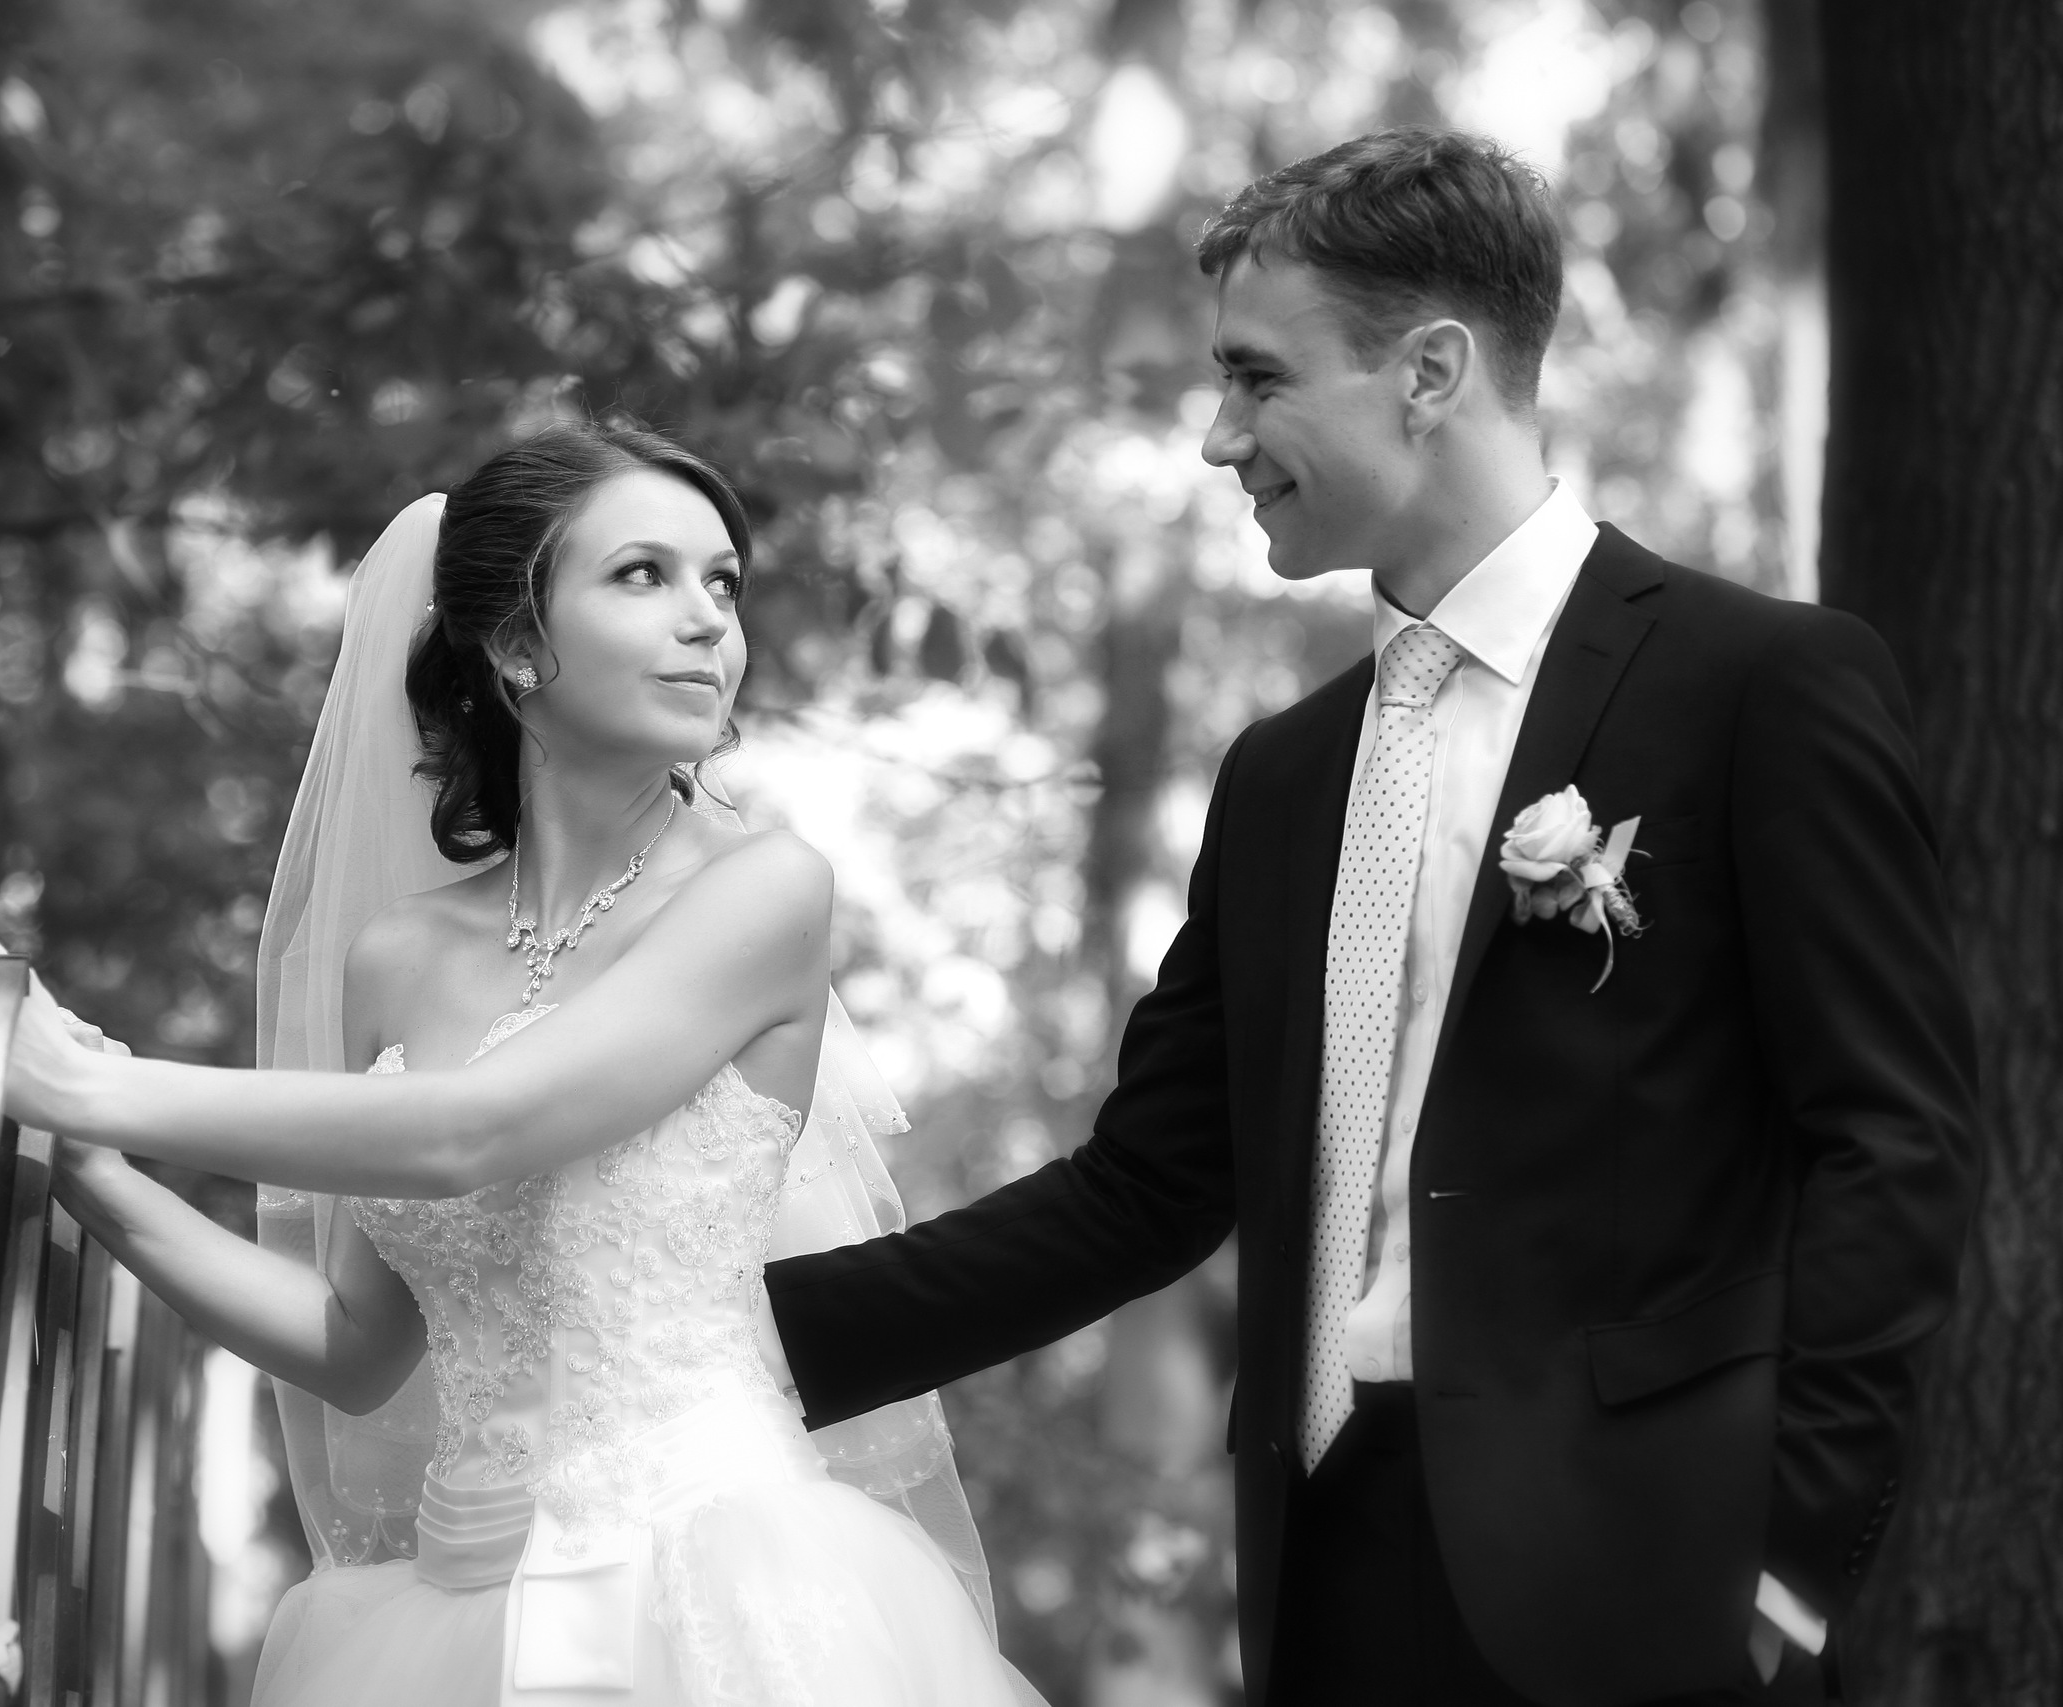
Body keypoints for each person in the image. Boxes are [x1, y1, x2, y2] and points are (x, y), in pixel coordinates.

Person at [762, 128, 1980, 1707]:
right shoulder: (1279, 777)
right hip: (1329, 1578)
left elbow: (1894, 1139)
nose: (1220, 437)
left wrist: (1787, 1572)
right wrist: (749, 1341)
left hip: (1659, 1594)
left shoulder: (1761, 686)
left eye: (1257, 380)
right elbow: (1146, 1185)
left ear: (1430, 372)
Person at [0, 422, 1042, 1706]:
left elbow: (473, 1129)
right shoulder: (396, 958)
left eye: (721, 582)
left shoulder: (764, 894)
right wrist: (93, 1170)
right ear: (518, 646)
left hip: (710, 1598)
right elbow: (355, 1343)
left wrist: (93, 1083)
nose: (707, 618)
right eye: (642, 575)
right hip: (444, 1627)